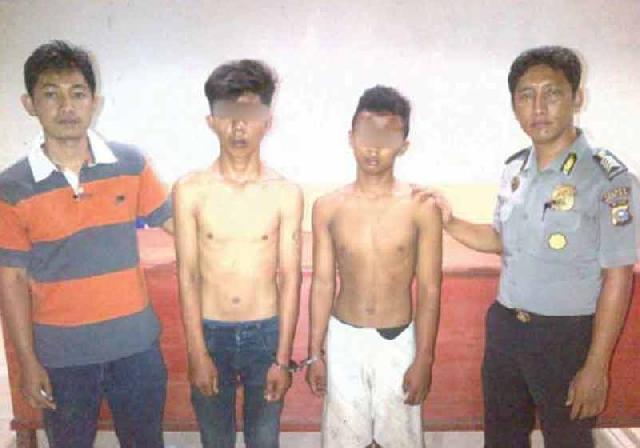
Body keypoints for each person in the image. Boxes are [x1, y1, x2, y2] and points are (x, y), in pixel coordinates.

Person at [425, 46, 637, 447]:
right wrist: (450, 222)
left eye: (551, 93)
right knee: (502, 439)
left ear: (577, 98)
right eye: (526, 95)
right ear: (514, 105)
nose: (538, 107)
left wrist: (597, 365)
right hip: (506, 328)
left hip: (567, 337)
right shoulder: (515, 169)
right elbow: (501, 240)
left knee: (568, 441)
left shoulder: (609, 179)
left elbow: (618, 276)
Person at [0, 40, 172, 447]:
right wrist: (27, 361)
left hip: (136, 350)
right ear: (29, 104)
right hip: (62, 359)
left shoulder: (131, 164)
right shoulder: (11, 187)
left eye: (77, 93)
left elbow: (178, 226)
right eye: (51, 94)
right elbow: (12, 280)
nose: (67, 106)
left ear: (95, 102)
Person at [174, 59, 303, 448]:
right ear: (211, 121)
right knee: (215, 440)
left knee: (264, 439)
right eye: (228, 114)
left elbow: (290, 278)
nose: (239, 125)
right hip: (210, 332)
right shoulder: (190, 190)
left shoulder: (285, 193)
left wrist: (282, 359)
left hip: (265, 334)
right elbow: (188, 276)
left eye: (250, 114)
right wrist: (196, 352)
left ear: (267, 121)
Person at [305, 85, 442, 448]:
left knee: (400, 441)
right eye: (366, 134)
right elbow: (322, 283)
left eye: (387, 137)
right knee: (343, 440)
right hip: (343, 338)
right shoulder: (328, 206)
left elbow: (430, 288)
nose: (374, 147)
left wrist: (424, 358)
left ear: (403, 145)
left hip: (398, 341)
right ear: (351, 137)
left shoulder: (420, 207)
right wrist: (314, 352)